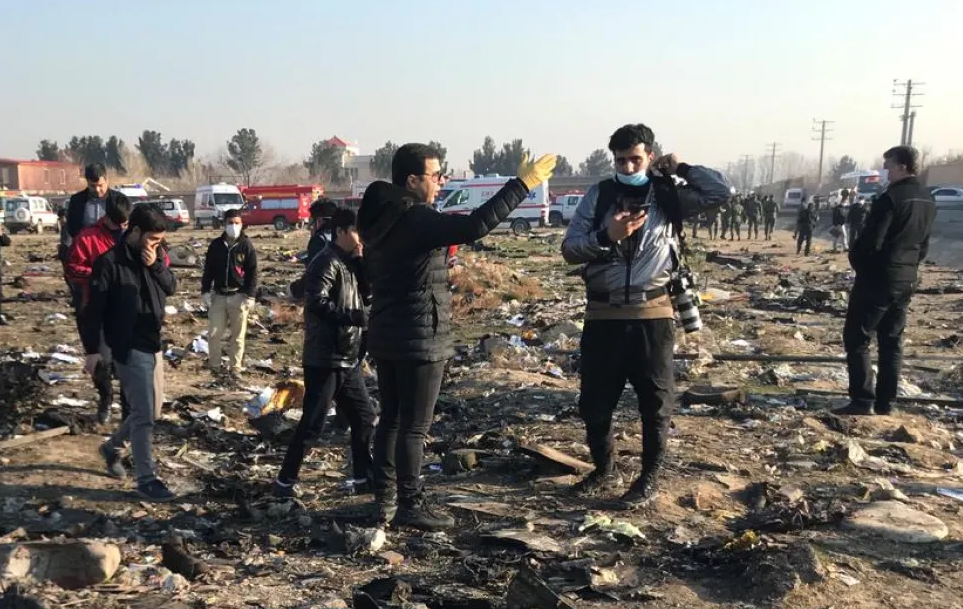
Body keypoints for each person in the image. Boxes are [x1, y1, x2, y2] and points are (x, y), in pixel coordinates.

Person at [359, 143, 555, 530]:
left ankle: (383, 498)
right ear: (412, 180)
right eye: (436, 175)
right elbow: (473, 226)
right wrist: (521, 184)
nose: (440, 182)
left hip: (387, 332)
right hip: (419, 336)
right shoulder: (413, 217)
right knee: (414, 426)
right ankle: (410, 504)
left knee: (392, 422)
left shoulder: (379, 218)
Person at [561, 123, 729, 506]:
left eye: (635, 158)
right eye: (620, 160)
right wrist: (607, 236)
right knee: (594, 403)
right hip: (603, 315)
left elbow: (721, 192)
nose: (628, 165)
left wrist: (682, 168)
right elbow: (570, 249)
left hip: (653, 314)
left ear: (649, 156)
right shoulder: (600, 195)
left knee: (655, 403)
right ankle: (604, 470)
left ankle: (648, 478)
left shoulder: (667, 195)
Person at [79, 203, 177, 501]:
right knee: (144, 415)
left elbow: (170, 287)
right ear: (134, 231)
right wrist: (93, 350)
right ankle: (146, 479)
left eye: (160, 241)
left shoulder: (156, 256)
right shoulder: (109, 263)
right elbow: (91, 310)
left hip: (152, 340)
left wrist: (155, 265)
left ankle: (112, 448)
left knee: (152, 411)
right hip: (126, 344)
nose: (156, 245)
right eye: (152, 239)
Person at [275, 209, 374, 498]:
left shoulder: (350, 262)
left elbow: (367, 295)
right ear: (341, 231)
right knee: (312, 425)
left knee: (364, 417)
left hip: (348, 357)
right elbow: (315, 302)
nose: (361, 240)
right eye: (357, 233)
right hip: (326, 357)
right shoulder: (326, 262)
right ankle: (284, 482)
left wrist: (362, 262)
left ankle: (361, 478)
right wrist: (353, 317)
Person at [837, 146, 936, 416]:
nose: (885, 171)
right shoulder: (927, 199)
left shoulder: (890, 199)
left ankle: (862, 400)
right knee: (892, 341)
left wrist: (859, 265)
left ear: (903, 166)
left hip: (879, 278)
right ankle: (886, 403)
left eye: (888, 165)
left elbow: (870, 242)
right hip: (907, 278)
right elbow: (924, 245)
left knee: (857, 338)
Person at [66, 191, 134, 422]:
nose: (122, 227)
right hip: (96, 308)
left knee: (128, 363)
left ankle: (127, 408)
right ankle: (105, 397)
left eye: (126, 223)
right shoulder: (88, 237)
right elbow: (73, 268)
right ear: (107, 217)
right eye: (118, 223)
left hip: (126, 310)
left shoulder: (133, 236)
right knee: (100, 361)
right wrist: (99, 274)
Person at [201, 209, 258, 380]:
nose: (233, 226)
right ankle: (215, 367)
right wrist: (205, 291)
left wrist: (250, 295)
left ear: (241, 224)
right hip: (219, 296)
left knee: (238, 336)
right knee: (214, 334)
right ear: (224, 224)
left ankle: (235, 368)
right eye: (230, 223)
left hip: (238, 296)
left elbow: (252, 272)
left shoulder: (246, 245)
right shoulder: (216, 245)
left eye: (237, 223)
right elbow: (208, 270)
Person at [59, 163, 109, 270]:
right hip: (85, 252)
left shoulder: (117, 200)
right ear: (87, 182)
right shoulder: (77, 201)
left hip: (110, 251)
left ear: (106, 181)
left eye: (100, 185)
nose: (97, 189)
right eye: (93, 186)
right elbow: (71, 228)